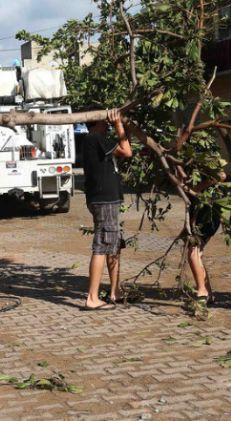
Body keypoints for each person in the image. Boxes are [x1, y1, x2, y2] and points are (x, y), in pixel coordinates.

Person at [83, 108, 132, 310]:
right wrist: (119, 125)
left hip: (106, 199)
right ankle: (92, 298)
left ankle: (114, 291)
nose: (108, 123)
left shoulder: (95, 140)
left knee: (113, 243)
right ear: (96, 123)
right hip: (104, 200)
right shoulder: (95, 138)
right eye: (105, 121)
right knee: (102, 244)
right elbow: (127, 151)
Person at [186, 170, 227, 307]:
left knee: (193, 252)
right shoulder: (188, 163)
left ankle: (202, 291)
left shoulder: (204, 159)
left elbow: (221, 175)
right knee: (197, 253)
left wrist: (192, 189)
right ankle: (207, 292)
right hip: (199, 211)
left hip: (207, 213)